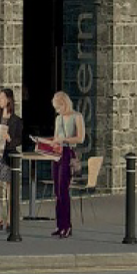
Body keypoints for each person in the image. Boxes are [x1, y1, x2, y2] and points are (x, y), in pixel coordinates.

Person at [33, 91, 85, 238]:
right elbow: (56, 137)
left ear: (64, 104)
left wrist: (64, 140)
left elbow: (80, 138)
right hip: (57, 153)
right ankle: (59, 225)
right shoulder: (58, 119)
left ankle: (67, 225)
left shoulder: (77, 116)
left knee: (63, 190)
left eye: (58, 107)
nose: (57, 110)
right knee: (57, 191)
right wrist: (46, 142)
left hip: (68, 152)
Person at [0, 88, 24, 231]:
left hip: (9, 156)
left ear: (8, 100)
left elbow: (20, 139)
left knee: (9, 188)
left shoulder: (17, 120)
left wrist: (10, 140)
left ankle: (10, 220)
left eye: (2, 98)